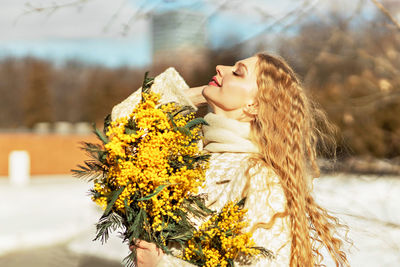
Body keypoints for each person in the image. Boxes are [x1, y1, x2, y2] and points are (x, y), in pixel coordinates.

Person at [125, 53, 352, 267]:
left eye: (237, 72)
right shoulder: (188, 152)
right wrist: (193, 95)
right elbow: (122, 130)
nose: (220, 68)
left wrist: (163, 264)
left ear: (254, 105)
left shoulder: (260, 179)